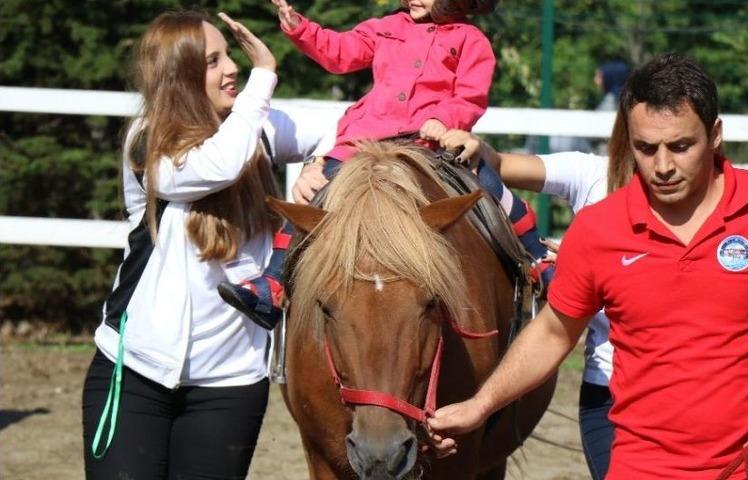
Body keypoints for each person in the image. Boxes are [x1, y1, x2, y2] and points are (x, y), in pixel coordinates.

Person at [427, 54, 748, 480]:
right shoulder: (599, 228)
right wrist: (480, 405)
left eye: (680, 146)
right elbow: (553, 332)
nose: (662, 166)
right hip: (642, 467)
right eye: (646, 148)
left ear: (715, 135)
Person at [82, 11, 328, 479]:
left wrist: (321, 163)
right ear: (180, 75)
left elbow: (348, 128)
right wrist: (264, 76)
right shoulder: (146, 140)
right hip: (133, 373)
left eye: (228, 56)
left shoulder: (256, 128)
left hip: (231, 384)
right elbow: (214, 166)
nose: (232, 68)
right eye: (213, 61)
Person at [218, 0, 554, 328]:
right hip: (363, 142)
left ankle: (538, 259)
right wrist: (300, 28)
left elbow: (470, 96)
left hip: (428, 144)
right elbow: (340, 52)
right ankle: (272, 284)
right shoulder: (385, 27)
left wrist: (443, 120)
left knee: (488, 185)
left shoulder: (472, 40)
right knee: (314, 196)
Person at [439, 129, 614, 479]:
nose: (662, 164)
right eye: (645, 145)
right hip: (611, 390)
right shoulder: (594, 174)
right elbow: (498, 163)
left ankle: (536, 256)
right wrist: (477, 147)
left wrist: (590, 263)